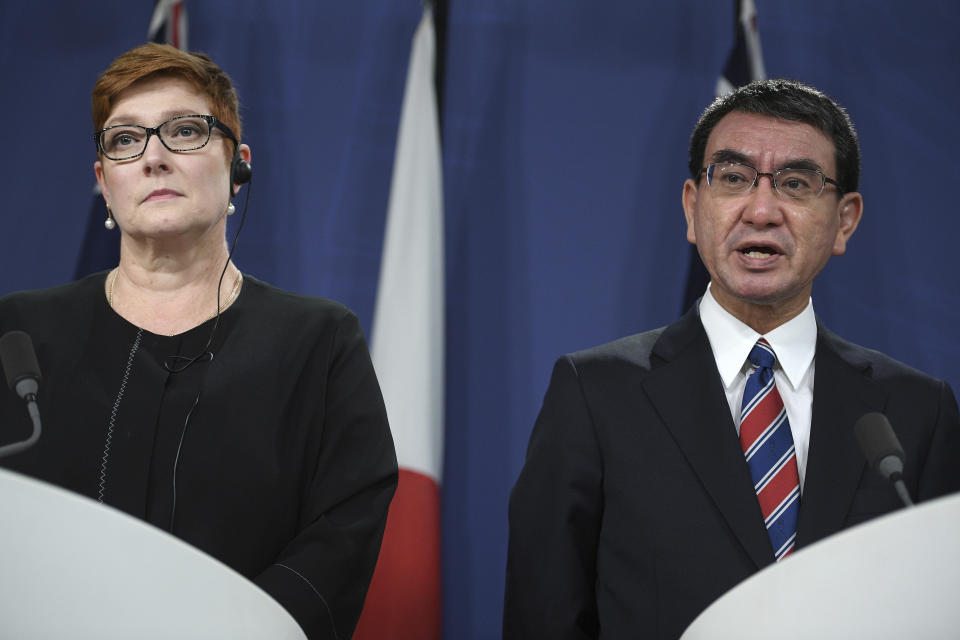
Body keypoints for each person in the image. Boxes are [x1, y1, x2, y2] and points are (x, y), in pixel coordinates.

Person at [503, 79, 960, 639]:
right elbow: (542, 618)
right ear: (694, 209)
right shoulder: (595, 394)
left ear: (845, 221)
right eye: (735, 178)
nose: (762, 210)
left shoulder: (917, 411)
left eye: (796, 183)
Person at [0, 43, 397, 640]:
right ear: (103, 182)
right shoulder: (19, 337)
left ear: (237, 166)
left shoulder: (317, 342)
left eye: (184, 131)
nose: (153, 158)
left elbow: (342, 532)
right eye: (125, 140)